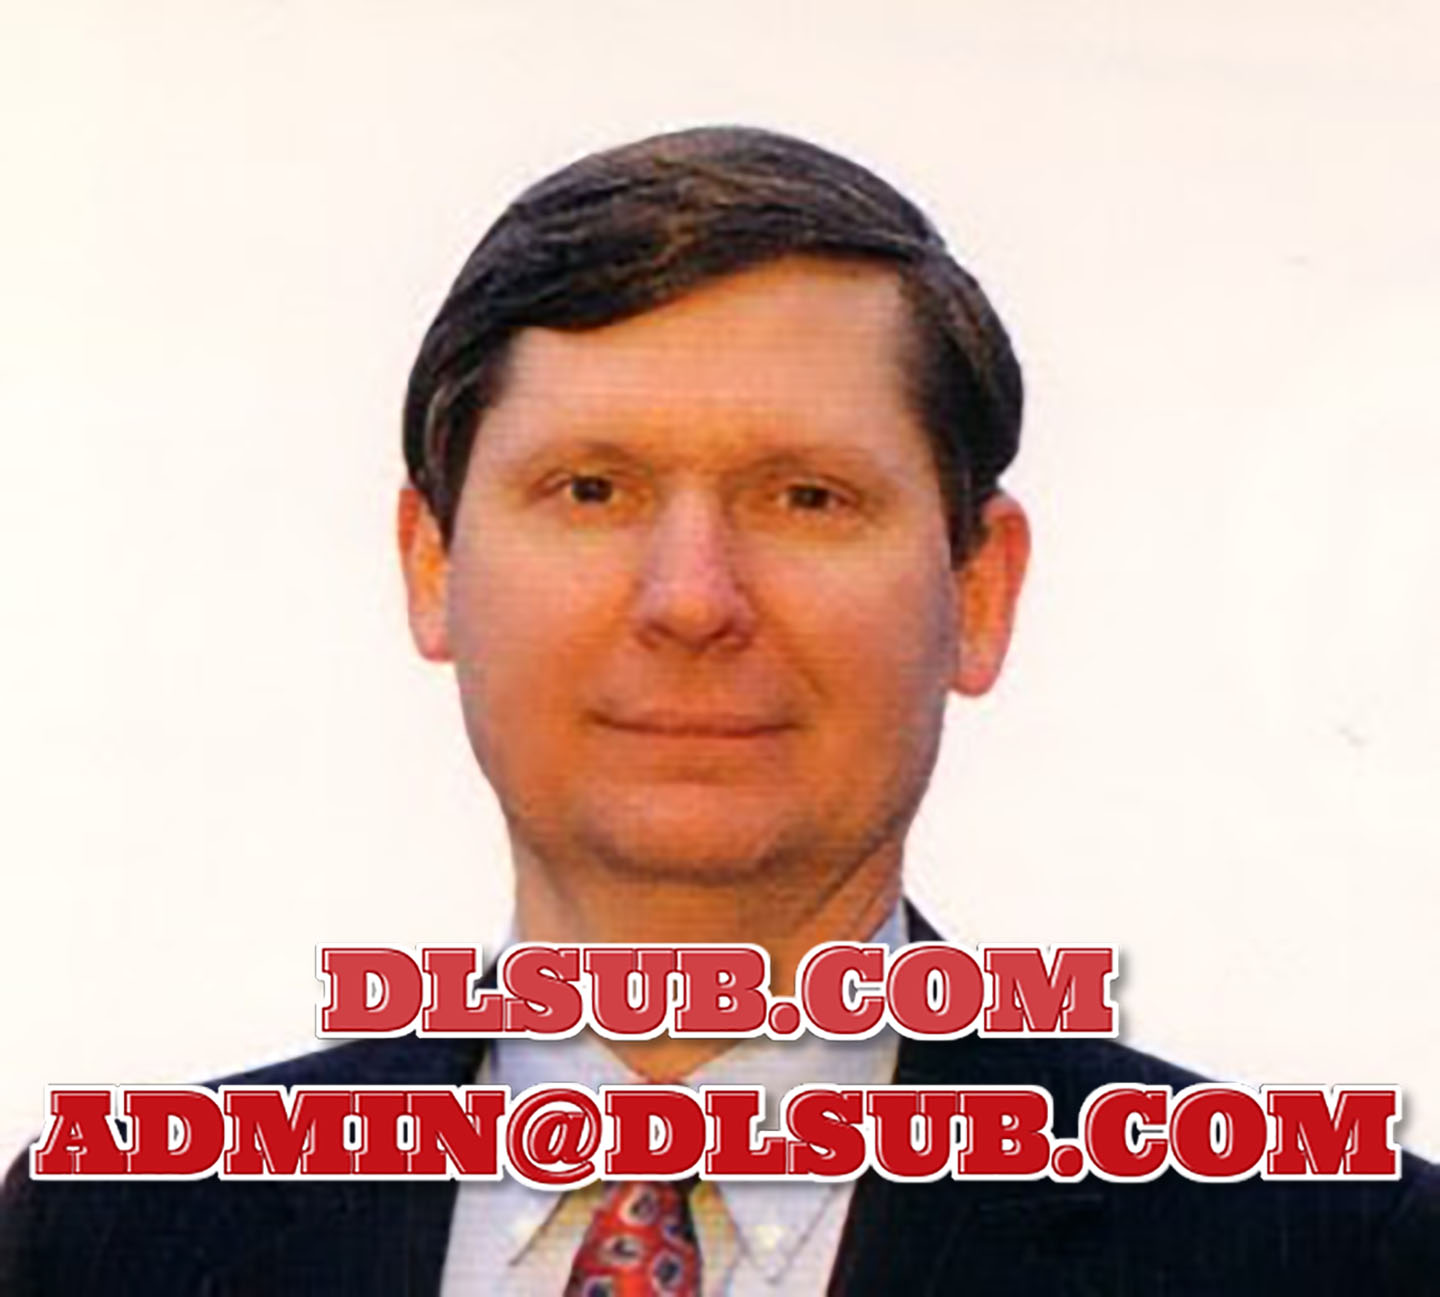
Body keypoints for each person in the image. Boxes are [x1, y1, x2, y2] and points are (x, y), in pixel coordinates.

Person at [2, 125, 1435, 1295]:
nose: (691, 598)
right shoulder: (103, 1238)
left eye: (806, 497)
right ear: (431, 567)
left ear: (979, 590)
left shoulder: (1345, 1261)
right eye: (592, 490)